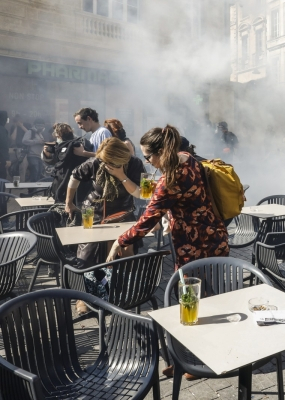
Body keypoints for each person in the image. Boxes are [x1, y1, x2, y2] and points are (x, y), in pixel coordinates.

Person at [109, 125, 229, 379]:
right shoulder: (189, 160)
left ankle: (197, 361)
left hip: (194, 247)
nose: (148, 162)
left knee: (191, 301)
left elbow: (149, 218)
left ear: (162, 151)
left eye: (149, 157)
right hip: (214, 239)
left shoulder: (171, 178)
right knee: (205, 299)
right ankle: (197, 356)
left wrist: (120, 241)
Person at [65, 137, 146, 303]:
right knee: (86, 256)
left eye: (107, 160)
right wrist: (69, 203)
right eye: (101, 159)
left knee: (126, 254)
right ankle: (85, 298)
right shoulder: (95, 162)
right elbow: (75, 176)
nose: (103, 162)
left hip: (122, 214)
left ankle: (122, 292)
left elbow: (141, 194)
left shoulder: (135, 164)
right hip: (94, 213)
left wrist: (121, 175)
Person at [42, 123, 94, 203]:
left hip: (69, 185)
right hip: (78, 186)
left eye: (57, 136)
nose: (56, 139)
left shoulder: (75, 145)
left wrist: (49, 154)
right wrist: (47, 154)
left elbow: (58, 162)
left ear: (59, 135)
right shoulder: (80, 144)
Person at [9, 115, 29, 180]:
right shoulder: (13, 127)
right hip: (19, 149)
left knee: (24, 166)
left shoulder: (26, 125)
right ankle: (21, 181)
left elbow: (29, 133)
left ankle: (24, 180)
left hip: (28, 148)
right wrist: (16, 127)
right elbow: (13, 138)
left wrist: (21, 126)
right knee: (21, 166)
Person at [0, 111, 10, 180]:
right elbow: (4, 145)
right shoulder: (2, 130)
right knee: (2, 177)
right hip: (1, 159)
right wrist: (7, 159)